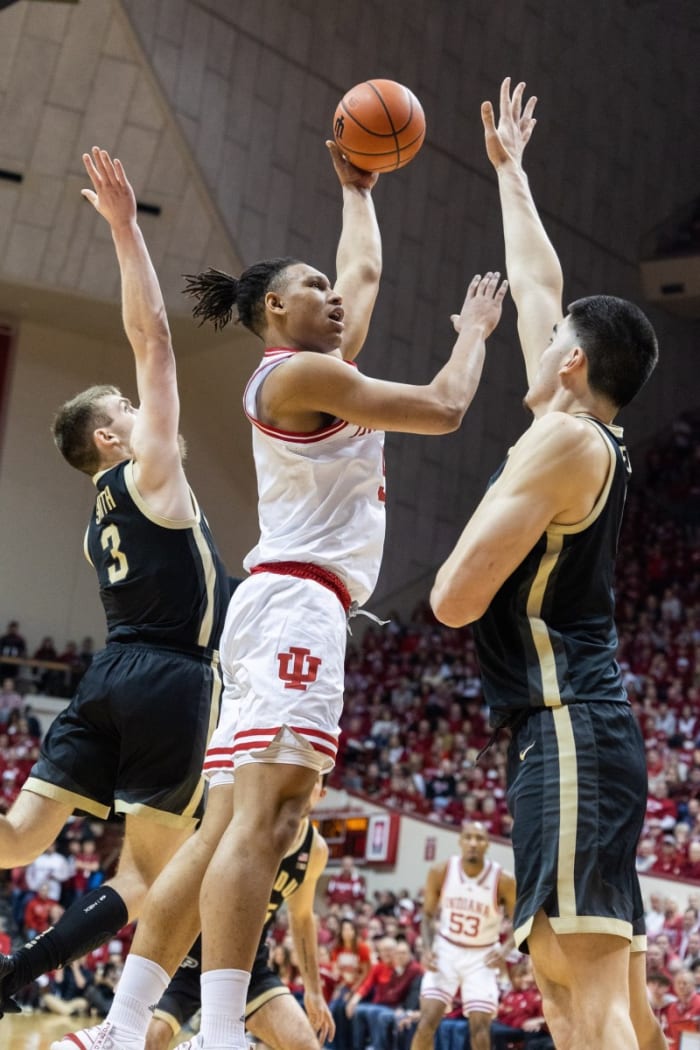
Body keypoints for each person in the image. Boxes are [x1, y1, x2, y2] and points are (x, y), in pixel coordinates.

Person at [51, 138, 508, 1050]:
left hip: (276, 604)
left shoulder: (317, 368)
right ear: (274, 308)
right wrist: (472, 336)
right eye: (314, 287)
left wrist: (355, 188)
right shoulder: (298, 375)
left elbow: (366, 270)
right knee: (272, 818)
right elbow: (448, 408)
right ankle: (221, 1034)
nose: (333, 296)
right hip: (298, 605)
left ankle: (118, 1028)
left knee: (225, 827)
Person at [429, 78, 662, 1050]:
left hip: (568, 729)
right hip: (567, 736)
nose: (544, 328)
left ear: (569, 365)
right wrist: (511, 174)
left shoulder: (563, 445)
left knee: (579, 994)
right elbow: (537, 283)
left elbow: (449, 599)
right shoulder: (571, 423)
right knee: (595, 1000)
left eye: (555, 339)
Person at [0, 147, 229, 1014]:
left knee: (21, 839)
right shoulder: (150, 476)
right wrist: (127, 230)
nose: (143, 412)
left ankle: (19, 974)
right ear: (107, 439)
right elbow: (155, 341)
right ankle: (22, 979)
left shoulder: (99, 517)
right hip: (172, 676)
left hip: (107, 676)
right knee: (143, 872)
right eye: (126, 411)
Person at [57, 775, 333, 1050]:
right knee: (145, 1040)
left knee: (306, 1045)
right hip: (184, 958)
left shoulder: (314, 850)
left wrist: (314, 991)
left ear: (321, 793)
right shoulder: (235, 820)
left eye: (315, 777)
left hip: (245, 965)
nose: (306, 781)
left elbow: (302, 917)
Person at [409, 820, 516, 1050]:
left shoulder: (504, 880)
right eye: (468, 837)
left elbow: (521, 920)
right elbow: (427, 915)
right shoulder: (441, 871)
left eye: (479, 838)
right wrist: (427, 950)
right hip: (446, 950)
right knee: (426, 1021)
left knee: (479, 1029)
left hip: (482, 955)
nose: (473, 843)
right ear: (460, 841)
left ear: (488, 844)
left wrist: (505, 951)